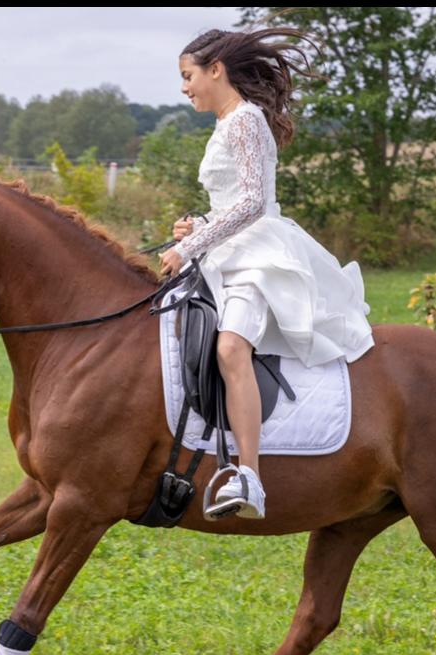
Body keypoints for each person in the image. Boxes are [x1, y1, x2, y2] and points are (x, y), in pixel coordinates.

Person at [159, 26, 376, 521]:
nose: (184, 87)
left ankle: (249, 478)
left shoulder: (244, 120)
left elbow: (255, 202)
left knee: (232, 348)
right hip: (226, 249)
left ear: (216, 70)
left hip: (257, 256)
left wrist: (190, 243)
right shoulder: (225, 123)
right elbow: (234, 202)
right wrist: (199, 225)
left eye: (188, 76)